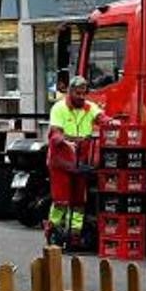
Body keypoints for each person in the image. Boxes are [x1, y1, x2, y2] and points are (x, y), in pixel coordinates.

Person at [46, 75, 112, 240]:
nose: (82, 97)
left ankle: (74, 233)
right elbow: (55, 133)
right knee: (61, 200)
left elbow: (101, 117)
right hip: (60, 161)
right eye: (78, 93)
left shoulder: (89, 107)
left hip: (80, 161)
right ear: (70, 92)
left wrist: (112, 122)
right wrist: (65, 142)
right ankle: (53, 230)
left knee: (79, 201)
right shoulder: (59, 108)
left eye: (84, 93)